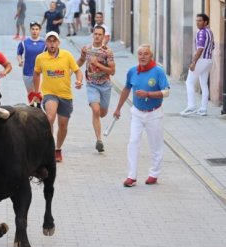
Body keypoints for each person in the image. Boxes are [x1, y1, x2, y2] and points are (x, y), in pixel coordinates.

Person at [113, 44, 170, 187]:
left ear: (151, 56)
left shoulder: (158, 71)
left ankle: (154, 174)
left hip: (154, 113)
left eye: (146, 54)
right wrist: (118, 108)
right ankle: (131, 176)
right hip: (137, 113)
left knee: (155, 145)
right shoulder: (132, 71)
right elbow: (126, 89)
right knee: (133, 142)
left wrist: (149, 94)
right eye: (140, 54)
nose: (142, 57)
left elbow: (167, 92)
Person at [33, 31, 83, 162]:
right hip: (49, 94)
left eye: (54, 41)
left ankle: (58, 149)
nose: (52, 43)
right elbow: (36, 74)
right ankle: (49, 146)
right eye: (49, 41)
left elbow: (78, 71)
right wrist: (36, 91)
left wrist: (79, 81)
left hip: (65, 95)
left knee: (63, 125)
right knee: (50, 117)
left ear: (58, 43)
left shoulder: (67, 55)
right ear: (46, 43)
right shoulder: (40, 58)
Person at [77, 26, 115, 152]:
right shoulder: (86, 49)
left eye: (100, 34)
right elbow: (81, 61)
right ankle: (99, 140)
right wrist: (71, 70)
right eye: (95, 34)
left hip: (105, 85)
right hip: (91, 84)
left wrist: (97, 64)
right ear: (93, 35)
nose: (97, 36)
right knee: (95, 110)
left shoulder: (107, 52)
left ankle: (101, 117)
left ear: (103, 36)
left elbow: (112, 71)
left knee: (102, 113)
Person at [180, 13, 215, 117]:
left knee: (189, 82)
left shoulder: (201, 33)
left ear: (205, 22)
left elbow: (200, 48)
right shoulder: (210, 32)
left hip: (201, 60)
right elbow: (212, 46)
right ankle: (203, 109)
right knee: (204, 84)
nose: (197, 22)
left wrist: (194, 62)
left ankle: (191, 106)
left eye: (200, 20)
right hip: (209, 60)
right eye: (196, 20)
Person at [16, 21, 45, 105]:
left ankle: (39, 108)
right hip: (27, 72)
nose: (35, 31)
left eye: (37, 29)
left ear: (39, 30)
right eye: (33, 29)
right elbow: (19, 54)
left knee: (38, 93)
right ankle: (32, 108)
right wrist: (20, 60)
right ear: (30, 30)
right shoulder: (24, 43)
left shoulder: (44, 43)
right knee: (31, 94)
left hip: (40, 72)